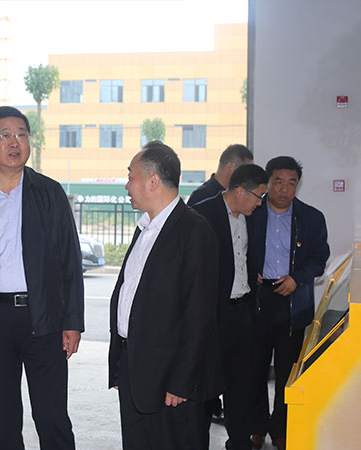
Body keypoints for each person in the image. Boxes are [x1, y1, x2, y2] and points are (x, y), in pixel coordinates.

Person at [0, 106, 84, 450]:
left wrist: (73, 322)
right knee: (5, 419)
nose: (14, 142)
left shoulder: (50, 194)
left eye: (22, 134)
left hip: (45, 318)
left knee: (52, 417)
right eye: (4, 135)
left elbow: (70, 262)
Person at [108, 141, 220, 450]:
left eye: (131, 176)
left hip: (171, 381)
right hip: (135, 370)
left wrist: (182, 381)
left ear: (153, 181)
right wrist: (120, 365)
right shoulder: (145, 228)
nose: (127, 185)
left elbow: (199, 315)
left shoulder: (194, 231)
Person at [248, 156, 329, 450]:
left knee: (287, 372)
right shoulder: (252, 213)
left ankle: (281, 428)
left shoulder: (311, 218)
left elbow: (319, 258)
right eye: (278, 181)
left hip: (292, 301)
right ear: (268, 182)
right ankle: (256, 427)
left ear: (297, 185)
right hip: (257, 299)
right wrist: (250, 273)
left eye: (291, 183)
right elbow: (238, 250)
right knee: (255, 369)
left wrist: (297, 278)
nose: (284, 189)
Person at [193, 164, 269, 450]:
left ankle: (238, 442)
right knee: (207, 387)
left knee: (241, 384)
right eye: (258, 196)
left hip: (242, 311)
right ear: (240, 190)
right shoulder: (201, 214)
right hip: (213, 315)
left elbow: (247, 255)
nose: (260, 203)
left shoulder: (252, 217)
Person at [188, 144, 254, 207]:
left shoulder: (240, 195)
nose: (247, 176)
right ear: (230, 166)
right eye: (245, 171)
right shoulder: (201, 196)